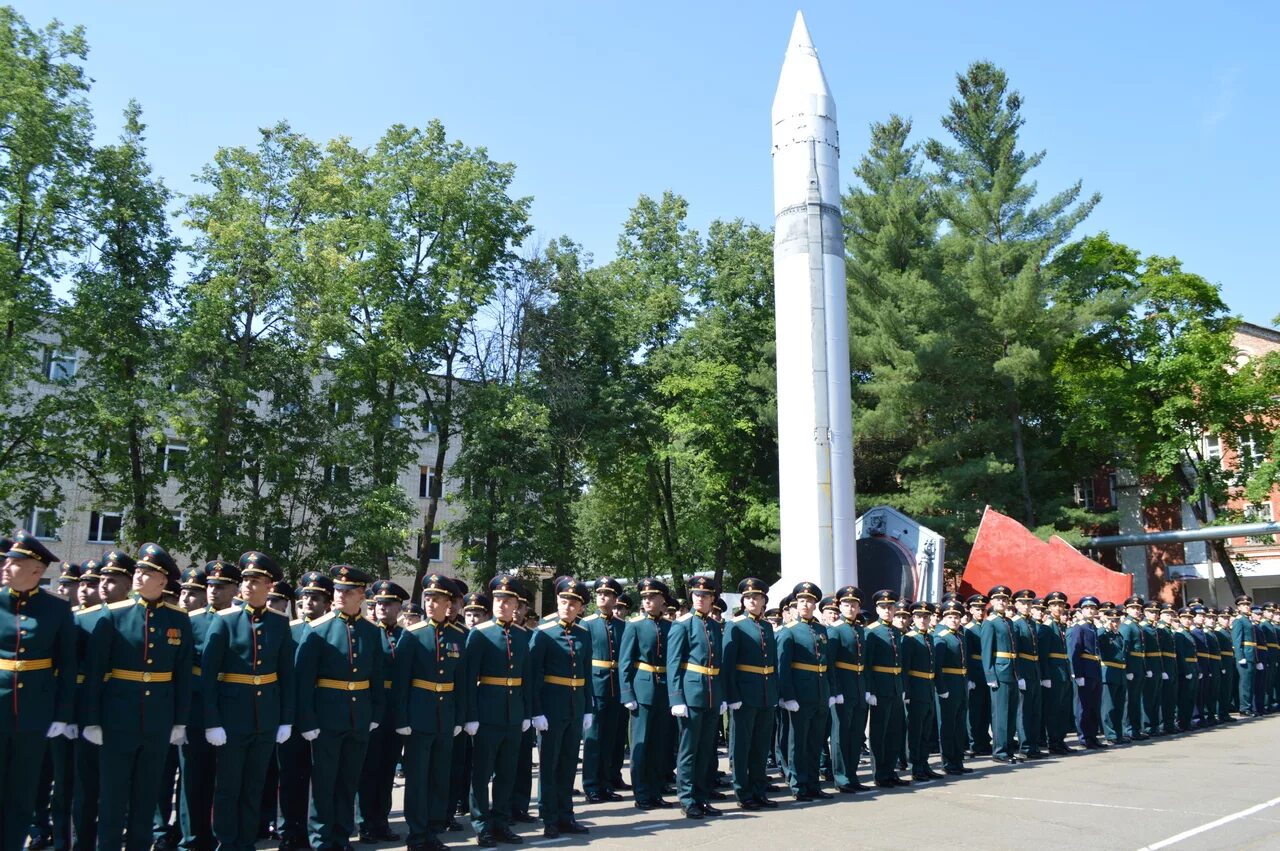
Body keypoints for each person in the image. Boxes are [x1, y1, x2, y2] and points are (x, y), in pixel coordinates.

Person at [82, 542, 192, 851]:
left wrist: (179, 721)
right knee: (113, 796)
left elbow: (182, 675)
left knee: (146, 796)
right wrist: (92, 719)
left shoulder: (178, 619)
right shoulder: (114, 615)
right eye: (139, 572)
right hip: (118, 719)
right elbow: (94, 674)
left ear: (163, 581)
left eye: (148, 573)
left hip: (158, 721)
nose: (140, 577)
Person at [200, 551, 295, 851]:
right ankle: (227, 842)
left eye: (256, 581)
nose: (249, 586)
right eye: (245, 580)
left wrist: (285, 719)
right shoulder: (225, 621)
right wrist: (212, 721)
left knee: (254, 786)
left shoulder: (280, 624)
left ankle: (246, 841)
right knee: (228, 787)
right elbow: (208, 678)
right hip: (231, 719)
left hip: (265, 719)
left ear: (269, 586)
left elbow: (286, 676)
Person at [294, 564, 385, 851]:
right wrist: (307, 720)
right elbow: (303, 681)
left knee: (348, 781)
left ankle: (342, 836)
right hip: (327, 717)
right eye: (338, 591)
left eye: (348, 592)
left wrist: (375, 713)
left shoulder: (371, 631)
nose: (340, 596)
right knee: (323, 782)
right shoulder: (318, 629)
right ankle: (321, 839)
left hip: (358, 718)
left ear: (361, 596)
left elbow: (377, 677)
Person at [1, 533, 76, 851]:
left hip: (33, 714)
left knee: (22, 792)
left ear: (36, 570)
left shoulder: (56, 610)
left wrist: (62, 715)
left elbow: (67, 668)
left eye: (15, 563)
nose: (6, 566)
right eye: (7, 561)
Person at [392, 573, 467, 851]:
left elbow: (462, 683)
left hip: (445, 717)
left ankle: (433, 831)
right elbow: (401, 683)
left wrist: (460, 718)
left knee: (439, 778)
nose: (431, 603)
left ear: (448, 602)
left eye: (437, 599)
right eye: (428, 598)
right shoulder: (412, 635)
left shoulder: (458, 636)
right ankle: (416, 835)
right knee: (418, 780)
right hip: (419, 717)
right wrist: (402, 719)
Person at [464, 575, 533, 847]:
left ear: (515, 604)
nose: (501, 604)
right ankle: (482, 826)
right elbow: (469, 679)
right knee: (481, 774)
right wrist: (470, 715)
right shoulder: (480, 634)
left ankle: (501, 822)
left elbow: (526, 678)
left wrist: (527, 713)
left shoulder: (520, 635)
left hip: (513, 714)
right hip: (487, 714)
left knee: (507, 772)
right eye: (498, 600)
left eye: (507, 600)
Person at [529, 577, 594, 838]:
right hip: (551, 708)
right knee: (549, 764)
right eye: (564, 601)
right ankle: (549, 817)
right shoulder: (543, 633)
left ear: (580, 607)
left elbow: (586, 673)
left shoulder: (583, 633)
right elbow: (534, 676)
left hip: (575, 706)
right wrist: (536, 711)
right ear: (557, 601)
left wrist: (588, 707)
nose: (568, 606)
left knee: (568, 764)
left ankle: (567, 814)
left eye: (573, 603)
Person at [182, 560, 238, 851]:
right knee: (194, 777)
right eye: (211, 585)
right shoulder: (192, 620)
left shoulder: (242, 620)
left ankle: (226, 837)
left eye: (221, 586)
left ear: (234, 589)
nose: (214, 590)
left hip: (231, 707)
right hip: (196, 707)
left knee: (228, 780)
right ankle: (193, 838)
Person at [276, 571, 333, 851]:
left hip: (322, 717)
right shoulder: (290, 630)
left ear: (327, 602)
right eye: (303, 596)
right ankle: (290, 830)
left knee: (320, 779)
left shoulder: (332, 632)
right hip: (291, 716)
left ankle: (318, 832)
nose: (307, 601)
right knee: (290, 776)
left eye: (315, 597)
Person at [667, 575, 724, 819]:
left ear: (713, 599)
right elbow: (673, 663)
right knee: (689, 750)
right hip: (691, 694)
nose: (700, 598)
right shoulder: (682, 624)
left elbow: (718, 663)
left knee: (705, 750)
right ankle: (688, 798)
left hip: (711, 694)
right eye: (697, 595)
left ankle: (702, 797)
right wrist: (676, 698)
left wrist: (721, 696)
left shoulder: (713, 626)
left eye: (706, 595)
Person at [721, 577, 780, 810]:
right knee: (742, 746)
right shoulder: (735, 625)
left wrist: (774, 692)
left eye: (756, 597)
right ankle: (743, 792)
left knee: (760, 745)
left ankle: (759, 789)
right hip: (744, 694)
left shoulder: (766, 626)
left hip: (765, 694)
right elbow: (728, 664)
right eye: (748, 598)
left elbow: (772, 663)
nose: (752, 601)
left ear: (764, 600)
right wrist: (732, 695)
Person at [358, 579, 409, 843]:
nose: (382, 608)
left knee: (387, 768)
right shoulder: (366, 631)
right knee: (368, 769)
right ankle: (365, 823)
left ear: (399, 607)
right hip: (370, 708)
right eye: (378, 603)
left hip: (394, 710)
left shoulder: (405, 635)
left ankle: (381, 820)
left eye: (388, 604)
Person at [776, 581, 838, 801]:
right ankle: (798, 784)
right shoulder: (789, 631)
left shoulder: (822, 630)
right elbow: (783, 667)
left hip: (820, 693)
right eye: (802, 601)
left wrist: (832, 691)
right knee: (798, 743)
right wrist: (788, 696)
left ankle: (813, 783)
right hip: (800, 695)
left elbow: (828, 663)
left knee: (815, 741)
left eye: (810, 601)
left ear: (815, 604)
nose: (805, 604)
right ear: (796, 604)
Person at [619, 577, 674, 811]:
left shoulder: (670, 626)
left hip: (664, 690)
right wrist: (627, 693)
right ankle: (641, 793)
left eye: (652, 597)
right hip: (642, 689)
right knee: (641, 744)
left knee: (660, 745)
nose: (648, 601)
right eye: (644, 598)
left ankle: (655, 790)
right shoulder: (634, 625)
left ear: (662, 600)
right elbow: (625, 662)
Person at [581, 577, 626, 805]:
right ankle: (591, 785)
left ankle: (605, 783)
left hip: (615, 687)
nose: (602, 597)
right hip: (595, 686)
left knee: (610, 739)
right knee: (594, 739)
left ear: (615, 599)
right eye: (599, 593)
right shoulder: (587, 624)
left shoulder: (622, 625)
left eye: (607, 594)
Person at [864, 590, 908, 787]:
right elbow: (867, 664)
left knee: (894, 731)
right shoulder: (871, 632)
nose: (888, 610)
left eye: (891, 607)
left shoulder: (897, 632)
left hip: (896, 686)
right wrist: (871, 690)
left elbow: (901, 663)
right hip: (880, 688)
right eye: (884, 607)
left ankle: (890, 770)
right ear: (877, 609)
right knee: (879, 732)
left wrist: (903, 687)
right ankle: (879, 773)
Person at [826, 585, 867, 793]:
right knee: (841, 735)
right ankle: (841, 778)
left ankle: (852, 775)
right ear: (840, 606)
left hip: (859, 689)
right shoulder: (834, 630)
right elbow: (830, 663)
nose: (850, 608)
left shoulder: (859, 630)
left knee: (856, 734)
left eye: (854, 604)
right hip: (843, 688)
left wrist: (866, 689)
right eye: (846, 604)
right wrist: (835, 691)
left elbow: (864, 663)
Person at [980, 586, 1020, 764]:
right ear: (992, 602)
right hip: (999, 670)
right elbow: (986, 651)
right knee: (1000, 714)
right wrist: (990, 676)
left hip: (1011, 670)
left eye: (1004, 600)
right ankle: (1000, 751)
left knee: (1011, 713)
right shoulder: (990, 622)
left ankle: (1009, 748)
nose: (1002, 602)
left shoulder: (1008, 622)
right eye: (998, 600)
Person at [901, 602, 941, 781]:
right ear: (913, 618)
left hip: (928, 687)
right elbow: (905, 669)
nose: (923, 620)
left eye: (926, 617)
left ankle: (924, 764)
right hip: (916, 688)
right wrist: (907, 692)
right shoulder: (909, 639)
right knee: (916, 730)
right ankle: (915, 766)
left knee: (926, 729)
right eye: (919, 617)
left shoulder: (929, 637)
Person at [932, 599, 970, 775]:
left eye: (957, 617)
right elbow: (936, 667)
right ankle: (948, 762)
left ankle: (958, 760)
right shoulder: (941, 638)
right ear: (944, 618)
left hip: (960, 684)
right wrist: (941, 688)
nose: (954, 620)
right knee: (947, 726)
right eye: (950, 616)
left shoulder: (960, 636)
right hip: (948, 684)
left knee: (959, 725)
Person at [1009, 590, 1046, 760]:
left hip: (1034, 669)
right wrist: (1018, 675)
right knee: (1023, 710)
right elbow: (1014, 651)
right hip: (1023, 669)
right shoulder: (1015, 623)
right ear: (1016, 605)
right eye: (1023, 603)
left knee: (1035, 710)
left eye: (1029, 603)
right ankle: (1025, 746)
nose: (1027, 606)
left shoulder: (1031, 623)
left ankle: (1034, 744)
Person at [1066, 596, 1104, 749]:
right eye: (1087, 608)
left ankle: (1092, 736)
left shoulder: (1092, 627)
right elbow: (1074, 651)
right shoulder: (1079, 627)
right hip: (1085, 670)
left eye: (1093, 608)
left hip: (1094, 669)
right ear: (1081, 610)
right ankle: (1084, 737)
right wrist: (1077, 673)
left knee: (1094, 706)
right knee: (1083, 706)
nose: (1090, 610)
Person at [963, 594, 992, 756]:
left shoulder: (986, 626)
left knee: (986, 708)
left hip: (986, 673)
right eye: (977, 609)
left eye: (982, 609)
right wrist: (969, 678)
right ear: (970, 610)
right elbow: (966, 656)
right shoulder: (969, 630)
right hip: (975, 672)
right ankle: (974, 742)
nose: (980, 612)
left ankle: (984, 740)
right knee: (974, 710)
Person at [1098, 605, 1128, 744]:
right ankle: (1110, 735)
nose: (1114, 623)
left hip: (1120, 673)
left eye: (1116, 621)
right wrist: (1105, 627)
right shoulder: (1103, 634)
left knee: (1119, 706)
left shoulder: (1118, 635)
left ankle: (1119, 733)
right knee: (1108, 707)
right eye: (1112, 620)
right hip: (1109, 673)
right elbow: (1096, 639)